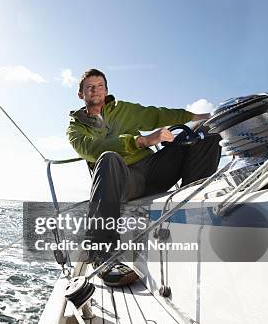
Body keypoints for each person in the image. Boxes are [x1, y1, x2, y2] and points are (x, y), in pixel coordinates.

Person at [66, 68, 221, 287]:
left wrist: (202, 117)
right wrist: (140, 141)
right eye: (89, 87)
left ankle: (193, 217)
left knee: (205, 136)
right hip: (124, 181)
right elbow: (92, 148)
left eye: (100, 86)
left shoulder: (124, 110)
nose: (96, 90)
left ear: (107, 90)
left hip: (153, 170)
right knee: (108, 157)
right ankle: (100, 254)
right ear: (81, 94)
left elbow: (159, 115)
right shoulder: (75, 127)